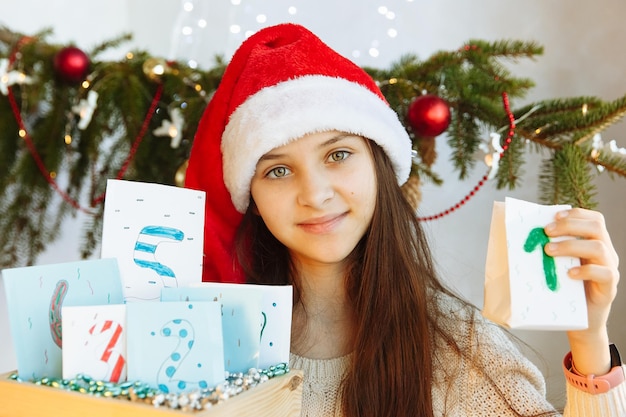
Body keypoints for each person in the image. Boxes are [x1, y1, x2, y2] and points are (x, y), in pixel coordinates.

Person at [184, 23, 625, 416]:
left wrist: (589, 341)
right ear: (252, 198)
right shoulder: (204, 341)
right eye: (278, 170)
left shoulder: (457, 345)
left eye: (338, 155)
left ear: (380, 167)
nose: (315, 194)